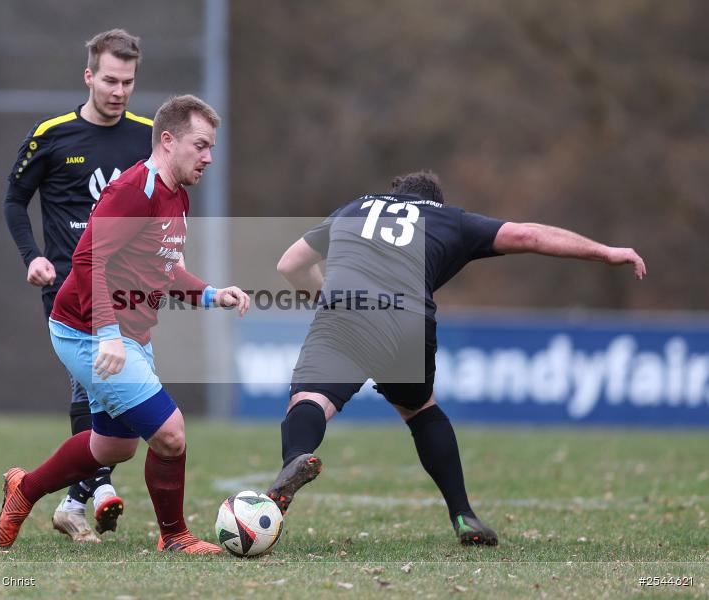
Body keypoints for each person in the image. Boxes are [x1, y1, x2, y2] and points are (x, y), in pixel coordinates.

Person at [266, 170, 646, 546]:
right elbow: (530, 235)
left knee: (311, 399)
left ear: (394, 193)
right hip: (409, 324)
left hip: (346, 312)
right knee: (419, 409)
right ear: (434, 201)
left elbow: (290, 264)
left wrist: (325, 297)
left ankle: (298, 457)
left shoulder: (353, 209)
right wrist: (606, 252)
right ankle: (463, 514)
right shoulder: (451, 220)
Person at [0, 94, 251, 554]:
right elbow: (89, 258)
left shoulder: (178, 196)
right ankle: (175, 536)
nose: (209, 157)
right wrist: (108, 334)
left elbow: (165, 267)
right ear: (168, 141)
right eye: (201, 145)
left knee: (113, 447)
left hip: (124, 332)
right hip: (86, 329)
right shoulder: (135, 189)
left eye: (212, 147)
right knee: (170, 434)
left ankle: (25, 489)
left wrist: (212, 294)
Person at [3, 29, 153, 543]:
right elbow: (13, 201)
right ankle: (92, 493)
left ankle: (72, 498)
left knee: (112, 392)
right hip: (70, 286)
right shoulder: (52, 135)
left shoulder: (150, 138)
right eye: (109, 80)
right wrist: (33, 256)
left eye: (127, 82)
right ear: (89, 76)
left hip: (131, 291)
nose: (118, 91)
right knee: (95, 384)